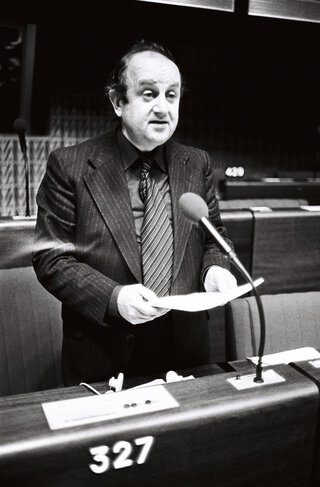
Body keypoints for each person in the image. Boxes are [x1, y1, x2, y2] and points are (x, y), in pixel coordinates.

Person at [32, 39, 237, 386]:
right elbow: (51, 259)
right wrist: (115, 297)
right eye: (148, 93)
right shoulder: (70, 165)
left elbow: (213, 238)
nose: (162, 107)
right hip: (104, 354)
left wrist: (215, 268)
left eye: (171, 95)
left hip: (185, 354)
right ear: (117, 101)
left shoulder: (196, 163)